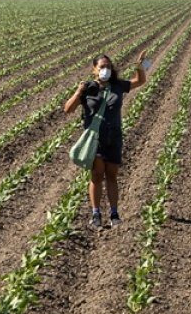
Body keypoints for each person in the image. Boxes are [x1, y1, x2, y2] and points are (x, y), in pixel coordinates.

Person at [63, 51, 148, 229]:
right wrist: (79, 91)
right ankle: (96, 214)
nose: (106, 69)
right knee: (96, 176)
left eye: (108, 66)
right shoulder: (88, 88)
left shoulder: (117, 85)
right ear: (94, 70)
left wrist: (140, 66)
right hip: (96, 139)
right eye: (102, 67)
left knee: (112, 176)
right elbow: (68, 109)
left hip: (114, 137)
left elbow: (140, 81)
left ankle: (114, 214)